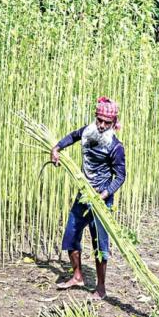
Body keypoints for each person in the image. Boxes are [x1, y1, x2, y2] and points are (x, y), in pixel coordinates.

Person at [51, 97, 126, 299]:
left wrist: (104, 194)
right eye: (99, 120)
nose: (101, 126)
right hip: (83, 196)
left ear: (113, 123)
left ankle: (100, 287)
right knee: (70, 236)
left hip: (101, 199)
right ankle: (78, 276)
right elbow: (72, 136)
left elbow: (120, 176)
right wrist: (57, 148)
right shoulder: (88, 131)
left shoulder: (115, 147)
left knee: (100, 244)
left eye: (106, 123)